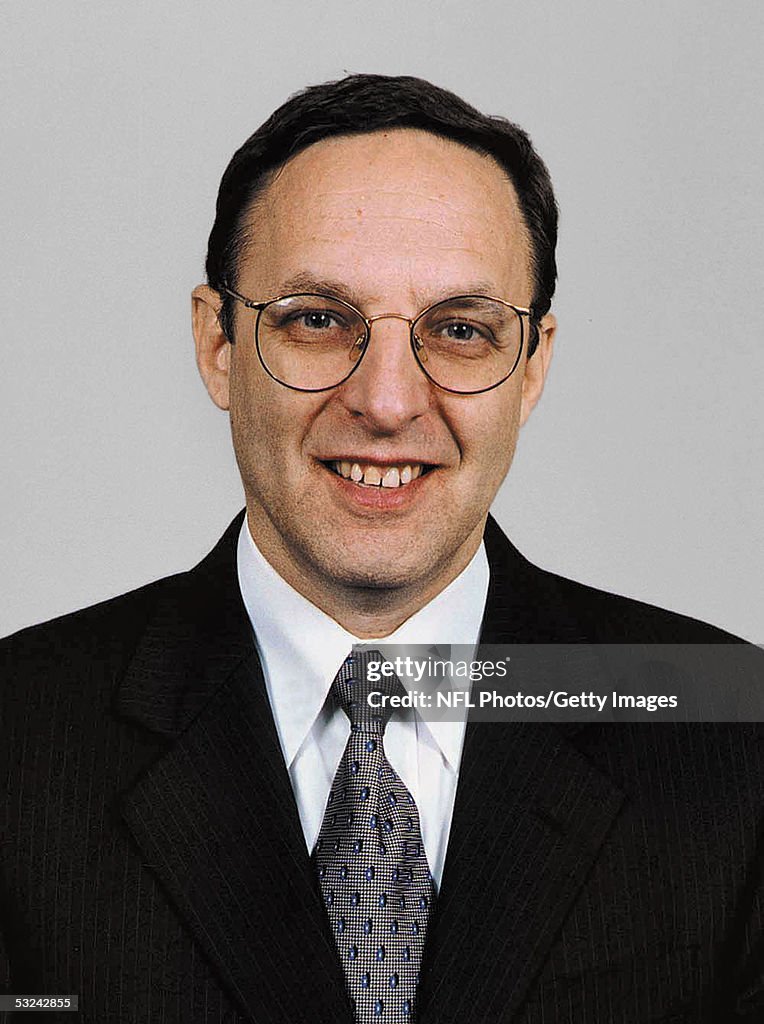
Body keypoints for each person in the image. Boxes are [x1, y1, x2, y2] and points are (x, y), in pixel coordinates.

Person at [1, 74, 763, 1024]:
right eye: (318, 320)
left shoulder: (735, 738)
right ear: (218, 345)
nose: (389, 402)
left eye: (461, 330)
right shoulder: (18, 738)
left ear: (532, 368)